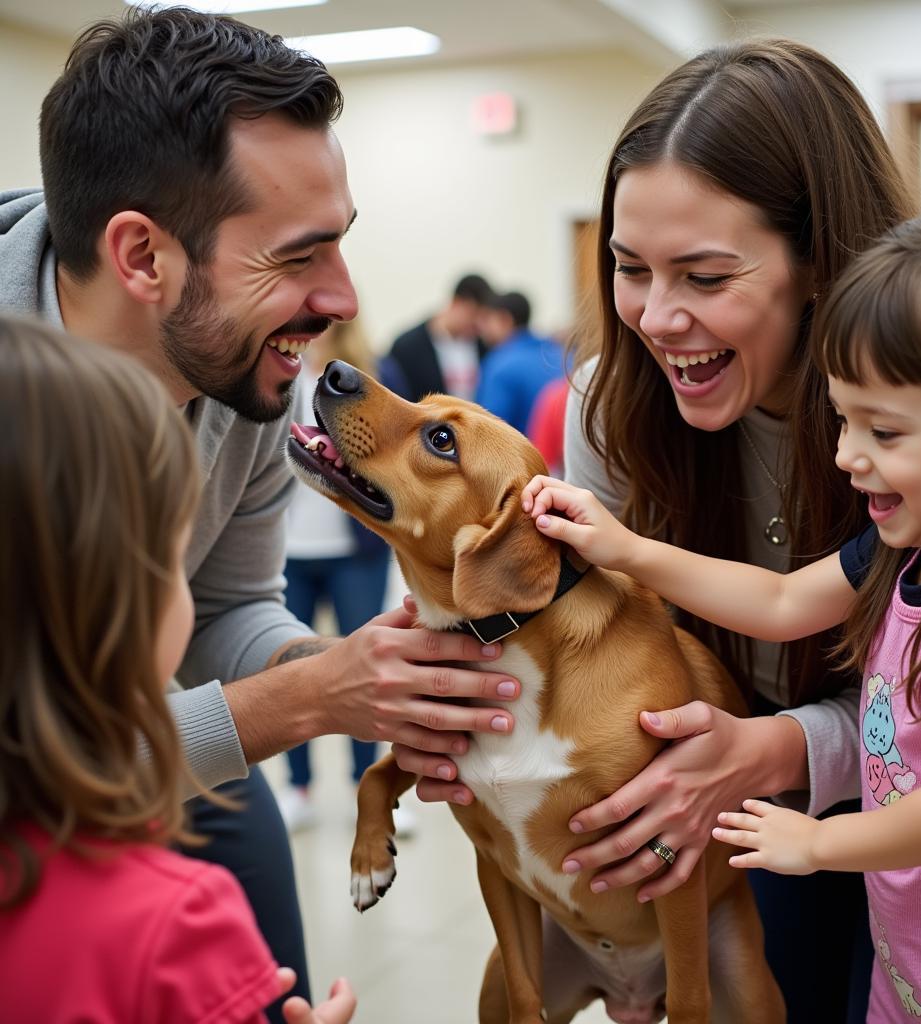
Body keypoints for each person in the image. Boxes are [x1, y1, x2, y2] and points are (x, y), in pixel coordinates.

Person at [0, 9, 521, 1018]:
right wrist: (305, 702)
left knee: (243, 904)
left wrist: (352, 680)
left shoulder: (242, 373)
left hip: (124, 749)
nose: (343, 297)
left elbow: (231, 600)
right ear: (142, 258)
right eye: (297, 257)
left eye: (343, 245)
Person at [396, 39, 916, 1022]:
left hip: (920, 819)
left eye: (705, 276)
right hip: (725, 824)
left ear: (819, 262)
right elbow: (591, 643)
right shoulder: (608, 404)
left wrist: (785, 747)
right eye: (630, 269)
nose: (658, 316)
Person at [524, 201, 921, 1022]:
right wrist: (627, 550)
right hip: (909, 970)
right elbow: (785, 600)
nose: (845, 455)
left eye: (886, 431)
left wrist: (819, 842)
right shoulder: (905, 546)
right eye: (844, 417)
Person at [0, 315, 356, 1024]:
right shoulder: (179, 927)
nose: (338, 298)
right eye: (171, 556)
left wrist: (322, 671)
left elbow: (242, 603)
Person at [278, 318, 414, 836]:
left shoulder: (377, 375)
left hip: (355, 549)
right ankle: (298, 788)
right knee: (289, 668)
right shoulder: (274, 372)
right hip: (288, 549)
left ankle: (370, 788)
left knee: (367, 664)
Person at [388, 272, 492, 402]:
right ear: (456, 302)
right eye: (473, 315)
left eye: (483, 318)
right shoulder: (407, 347)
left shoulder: (484, 347)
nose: (478, 324)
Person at [475, 290, 566, 435]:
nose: (481, 329)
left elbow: (488, 429)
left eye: (487, 320)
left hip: (527, 454)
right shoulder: (561, 354)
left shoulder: (499, 363)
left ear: (505, 320)